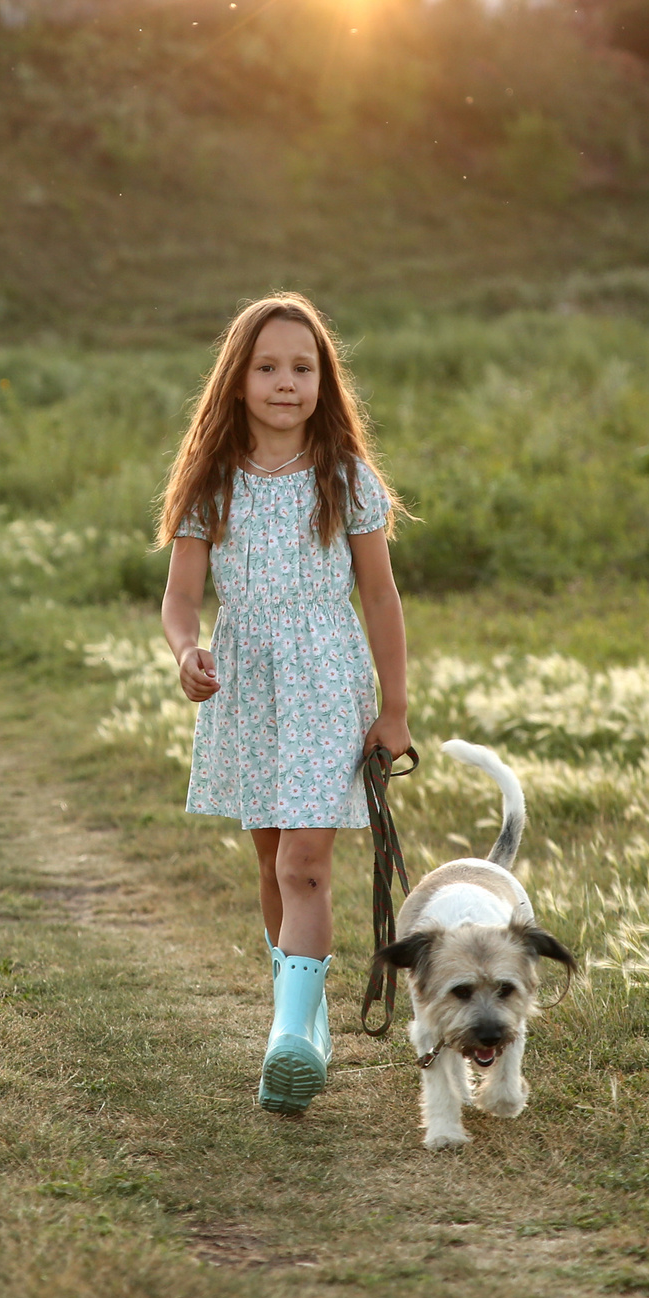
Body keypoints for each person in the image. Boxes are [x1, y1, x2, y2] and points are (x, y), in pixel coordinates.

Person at [157, 293, 411, 1116]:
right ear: (237, 381)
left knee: (306, 861)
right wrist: (186, 650)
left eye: (303, 367)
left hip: (329, 682)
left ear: (324, 380)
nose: (285, 382)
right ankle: (299, 1019)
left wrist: (396, 706)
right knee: (272, 864)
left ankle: (288, 1043)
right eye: (267, 367)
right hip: (247, 684)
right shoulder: (211, 482)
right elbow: (179, 598)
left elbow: (380, 596)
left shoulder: (347, 478)